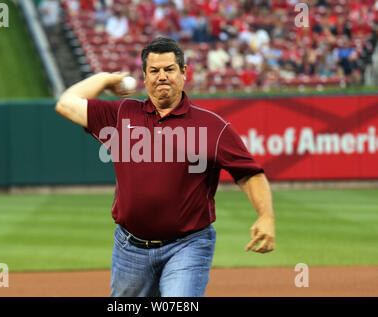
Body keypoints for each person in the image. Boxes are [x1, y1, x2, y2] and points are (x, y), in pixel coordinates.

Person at [55, 37, 275, 297]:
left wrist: (266, 216)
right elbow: (65, 104)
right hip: (130, 248)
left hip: (188, 245)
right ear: (145, 78)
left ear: (183, 73)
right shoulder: (122, 114)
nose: (162, 77)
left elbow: (249, 173)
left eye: (169, 69)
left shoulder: (211, 126)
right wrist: (104, 78)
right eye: (154, 71)